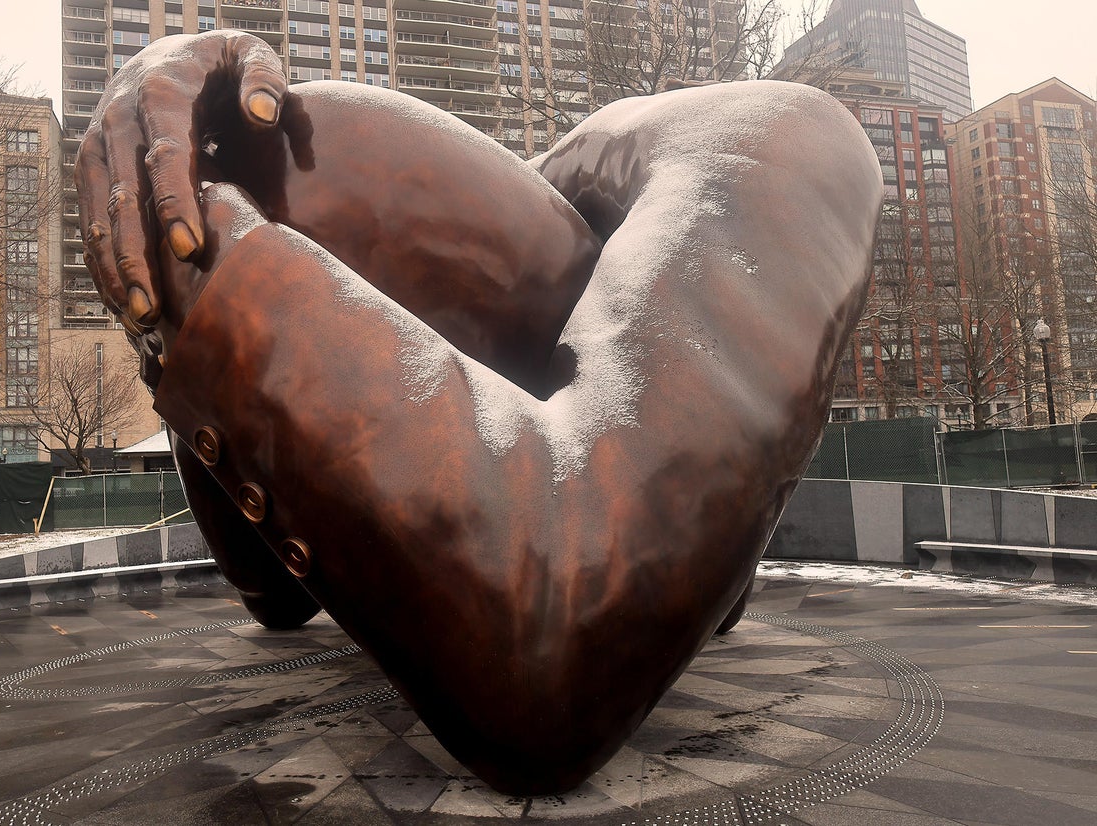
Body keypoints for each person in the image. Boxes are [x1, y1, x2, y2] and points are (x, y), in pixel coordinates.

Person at [76, 31, 882, 795]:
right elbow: (271, 590)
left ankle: (696, 550)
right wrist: (161, 214)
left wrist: (197, 254)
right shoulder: (551, 229)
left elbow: (555, 649)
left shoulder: (785, 141)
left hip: (720, 203)